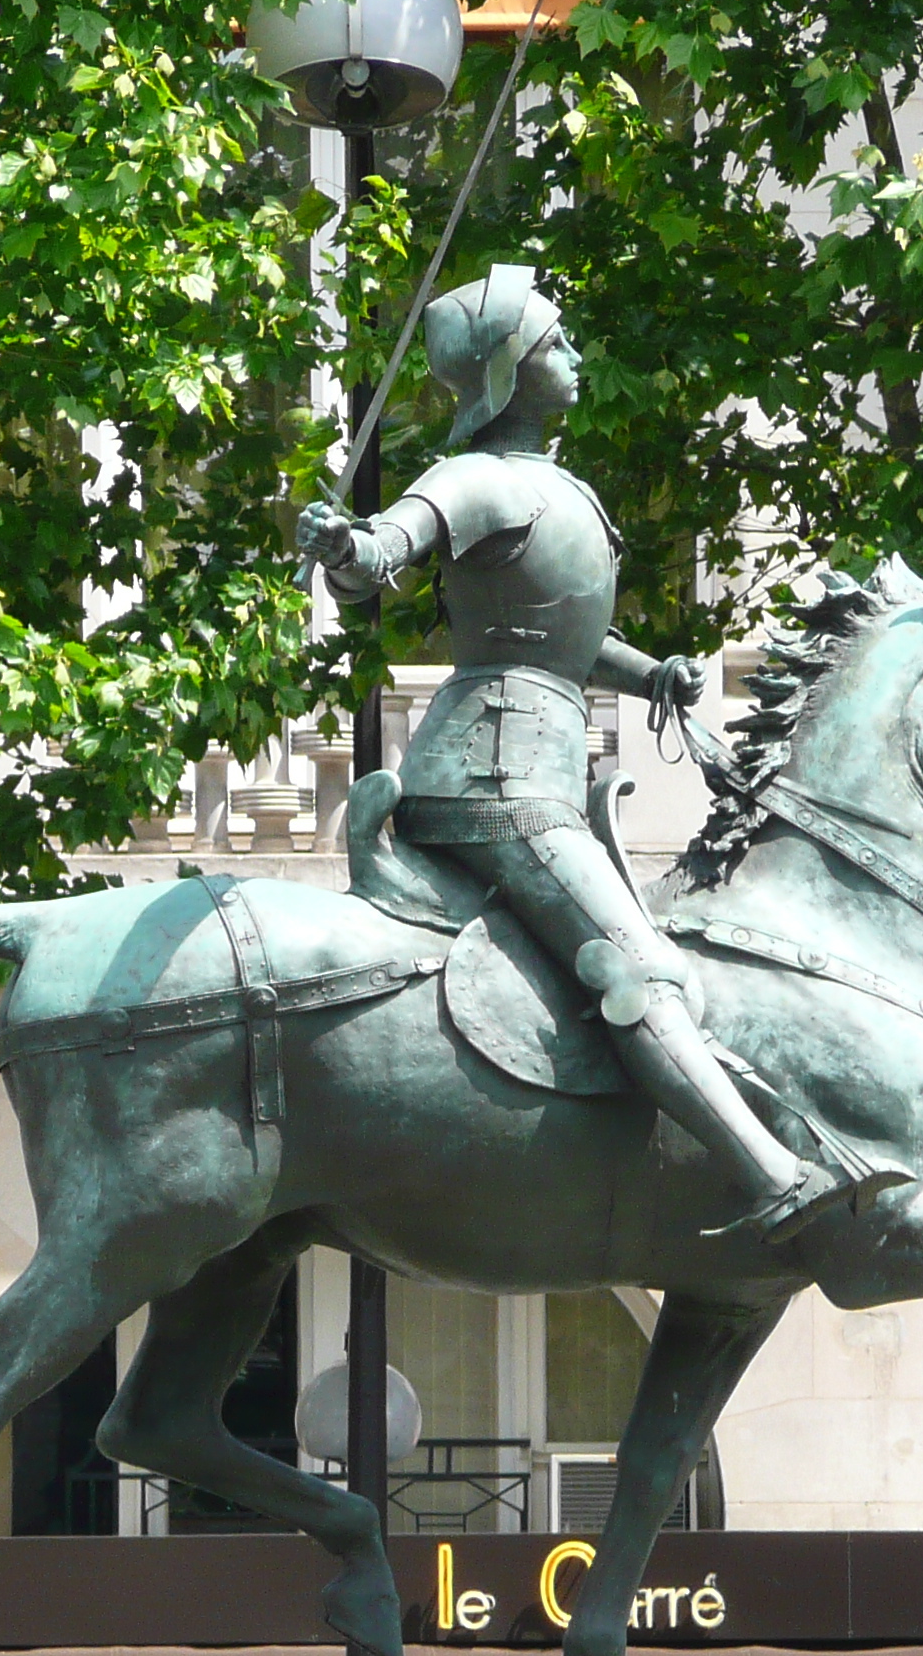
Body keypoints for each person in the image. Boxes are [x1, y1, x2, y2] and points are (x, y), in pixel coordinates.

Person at [298, 267, 889, 1243]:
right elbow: (381, 557)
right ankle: (767, 1172)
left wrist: (648, 670)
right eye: (554, 342)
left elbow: (551, 639)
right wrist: (344, 546)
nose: (573, 355)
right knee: (638, 966)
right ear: (506, 370)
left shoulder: (553, 486)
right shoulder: (473, 480)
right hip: (492, 778)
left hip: (538, 768)